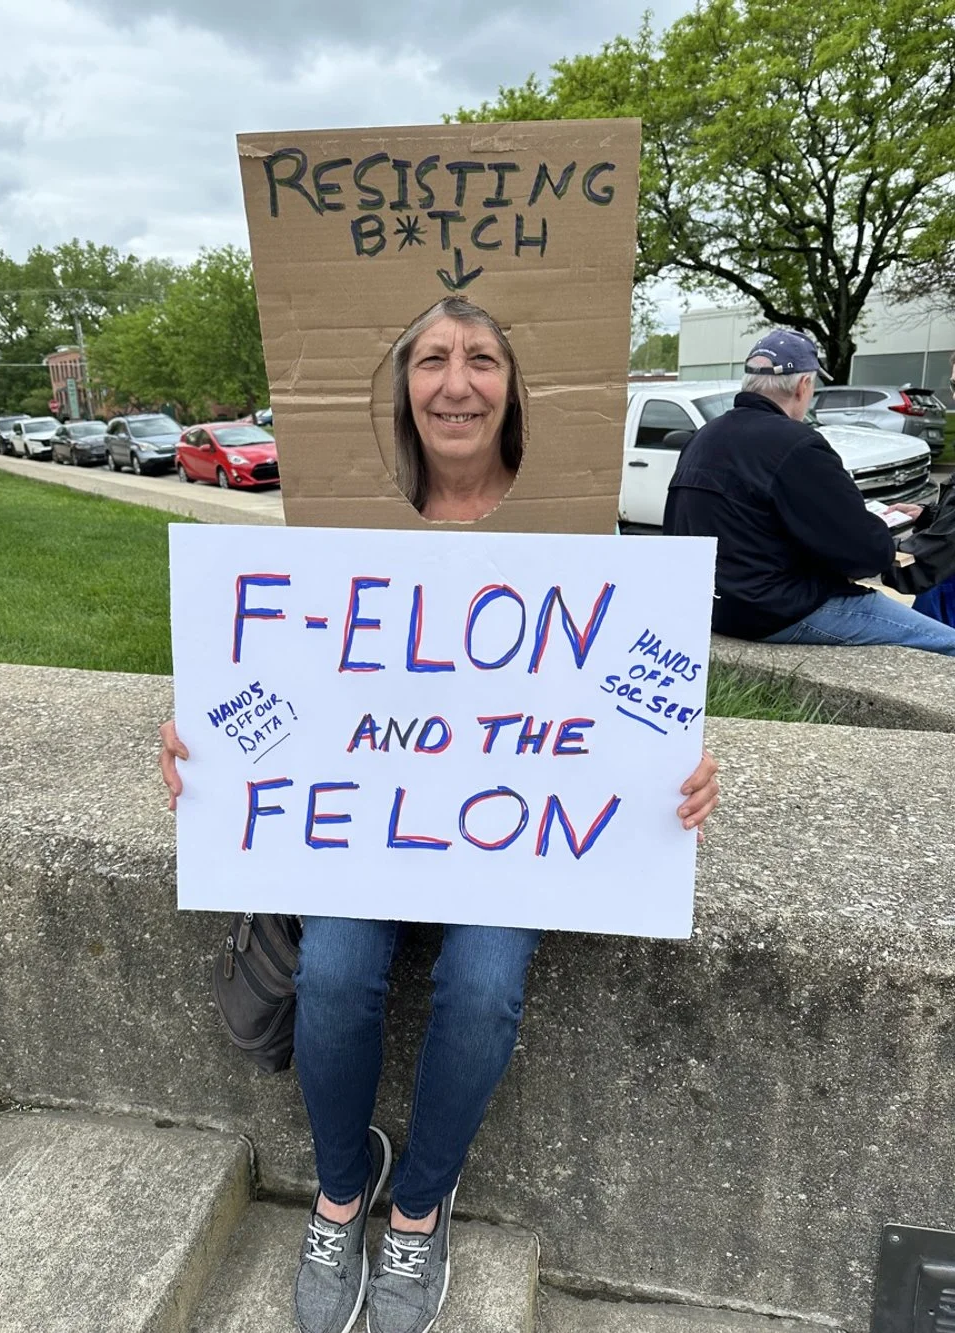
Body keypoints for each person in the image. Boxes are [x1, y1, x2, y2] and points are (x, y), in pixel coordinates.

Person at [159, 295, 720, 1333]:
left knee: (483, 982)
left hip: (502, 836)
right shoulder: (343, 517)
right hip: (363, 827)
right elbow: (272, 669)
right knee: (331, 969)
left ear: (513, 387)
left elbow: (623, 687)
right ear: (401, 383)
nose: (455, 382)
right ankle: (340, 1188)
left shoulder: (569, 523)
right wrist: (205, 730)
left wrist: (674, 764)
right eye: (430, 359)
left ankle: (417, 1203)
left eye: (479, 359)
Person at [663, 329, 955, 656]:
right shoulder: (798, 445)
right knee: (948, 643)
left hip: (714, 607)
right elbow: (865, 554)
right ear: (804, 386)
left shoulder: (704, 437)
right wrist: (880, 532)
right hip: (774, 611)